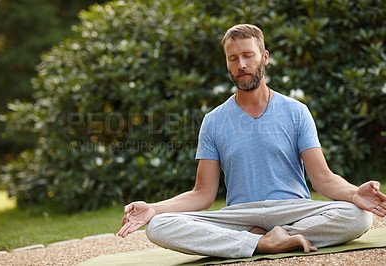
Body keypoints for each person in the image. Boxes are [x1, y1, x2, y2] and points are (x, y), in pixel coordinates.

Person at [118, 24, 386, 258]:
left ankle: (265, 238)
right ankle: (262, 242)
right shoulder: (213, 121)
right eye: (233, 59)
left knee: (357, 216)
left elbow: (322, 179)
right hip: (241, 216)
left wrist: (353, 194)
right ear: (226, 63)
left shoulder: (296, 112)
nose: (241, 65)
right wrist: (153, 208)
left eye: (248, 55)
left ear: (265, 58)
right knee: (158, 226)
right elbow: (203, 194)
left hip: (293, 211)